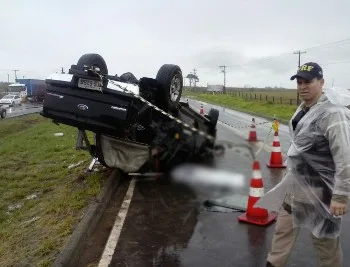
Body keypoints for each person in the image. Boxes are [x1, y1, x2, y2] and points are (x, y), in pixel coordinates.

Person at [265, 62, 350, 267]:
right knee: (283, 230)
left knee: (325, 241)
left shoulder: (332, 113)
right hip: (295, 184)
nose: (303, 86)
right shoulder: (304, 108)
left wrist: (341, 196)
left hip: (322, 190)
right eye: (299, 82)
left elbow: (345, 157)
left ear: (321, 82)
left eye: (308, 82)